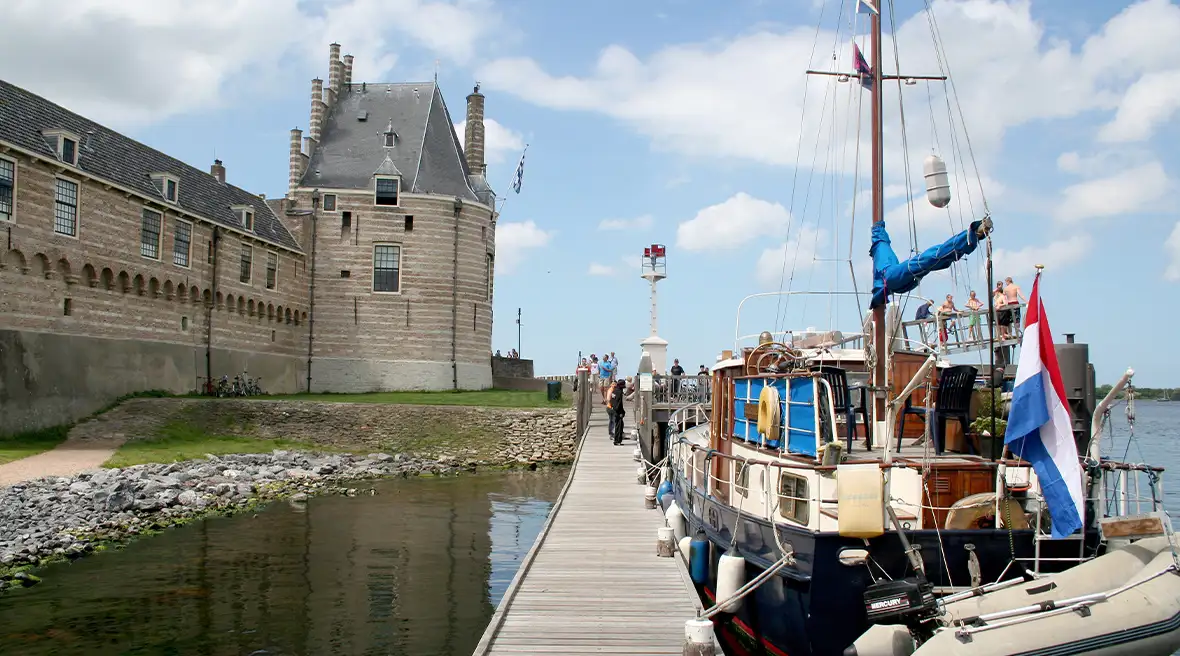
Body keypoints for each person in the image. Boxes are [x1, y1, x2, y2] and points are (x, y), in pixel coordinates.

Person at [609, 376, 627, 445]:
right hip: (618, 412)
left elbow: (612, 401)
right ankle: (617, 441)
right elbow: (619, 403)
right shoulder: (619, 392)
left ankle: (618, 440)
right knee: (618, 426)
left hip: (613, 409)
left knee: (619, 425)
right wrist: (621, 412)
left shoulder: (614, 391)